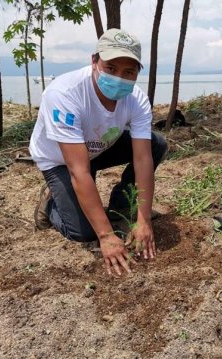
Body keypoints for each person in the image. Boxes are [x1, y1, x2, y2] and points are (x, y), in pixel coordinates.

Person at [29, 28, 167, 276]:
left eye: (128, 72)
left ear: (138, 72)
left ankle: (122, 204)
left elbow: (143, 158)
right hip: (61, 160)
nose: (119, 77)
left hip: (99, 147)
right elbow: (78, 170)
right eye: (111, 68)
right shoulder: (64, 94)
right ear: (94, 61)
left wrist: (143, 219)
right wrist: (106, 235)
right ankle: (51, 203)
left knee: (156, 144)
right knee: (83, 232)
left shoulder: (137, 100)